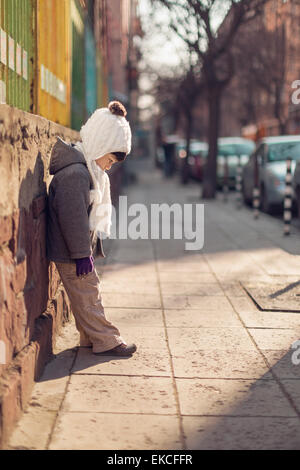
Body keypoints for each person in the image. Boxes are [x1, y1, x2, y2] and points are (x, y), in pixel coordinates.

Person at [46, 101, 137, 357]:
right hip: (72, 251)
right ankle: (107, 341)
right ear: (99, 144)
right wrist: (82, 253)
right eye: (109, 159)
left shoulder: (85, 170)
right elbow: (72, 218)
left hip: (75, 249)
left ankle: (90, 338)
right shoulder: (76, 174)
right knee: (89, 295)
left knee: (85, 294)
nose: (108, 167)